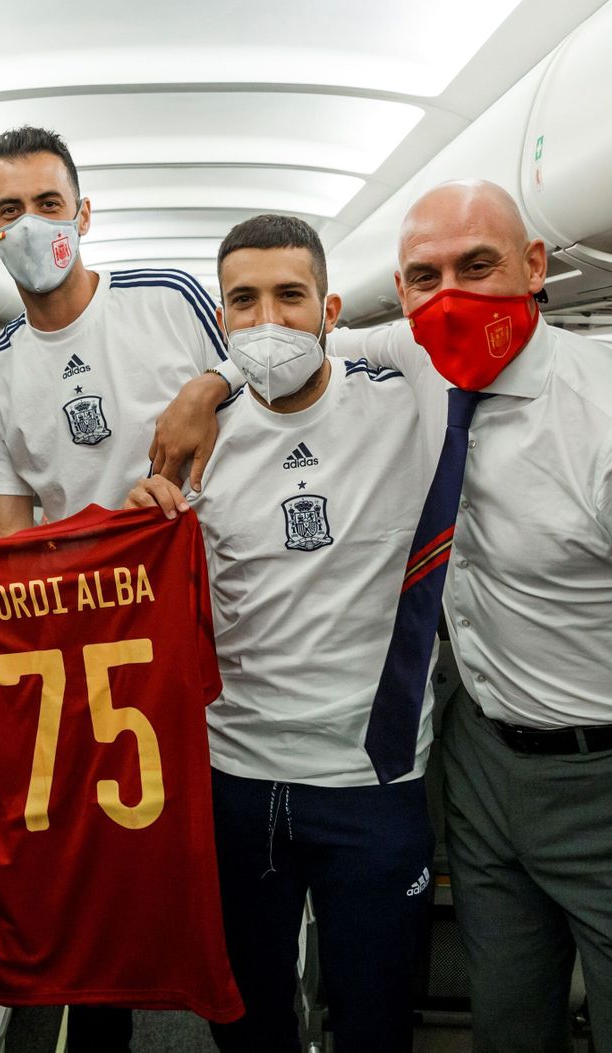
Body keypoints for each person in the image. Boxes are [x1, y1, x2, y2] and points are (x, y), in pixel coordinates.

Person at [159, 180, 612, 1052]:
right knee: (503, 1024)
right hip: (482, 764)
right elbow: (294, 337)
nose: (450, 294)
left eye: (479, 265)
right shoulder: (423, 356)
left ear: (535, 267)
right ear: (404, 290)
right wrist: (209, 381)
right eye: (425, 275)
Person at [0, 124, 231, 1051]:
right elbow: (11, 532)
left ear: (84, 213)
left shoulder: (170, 300)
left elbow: (268, 384)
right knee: (101, 886)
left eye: (50, 205)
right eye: (11, 211)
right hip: (93, 659)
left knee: (206, 880)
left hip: (212, 619)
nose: (33, 226)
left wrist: (211, 387)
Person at [125, 214, 436, 1052]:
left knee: (374, 1025)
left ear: (330, 306)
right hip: (235, 776)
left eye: (290, 296)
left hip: (370, 779)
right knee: (247, 1022)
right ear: (220, 316)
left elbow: (440, 335)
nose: (268, 320)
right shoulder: (193, 443)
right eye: (244, 300)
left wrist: (208, 379)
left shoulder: (405, 407)